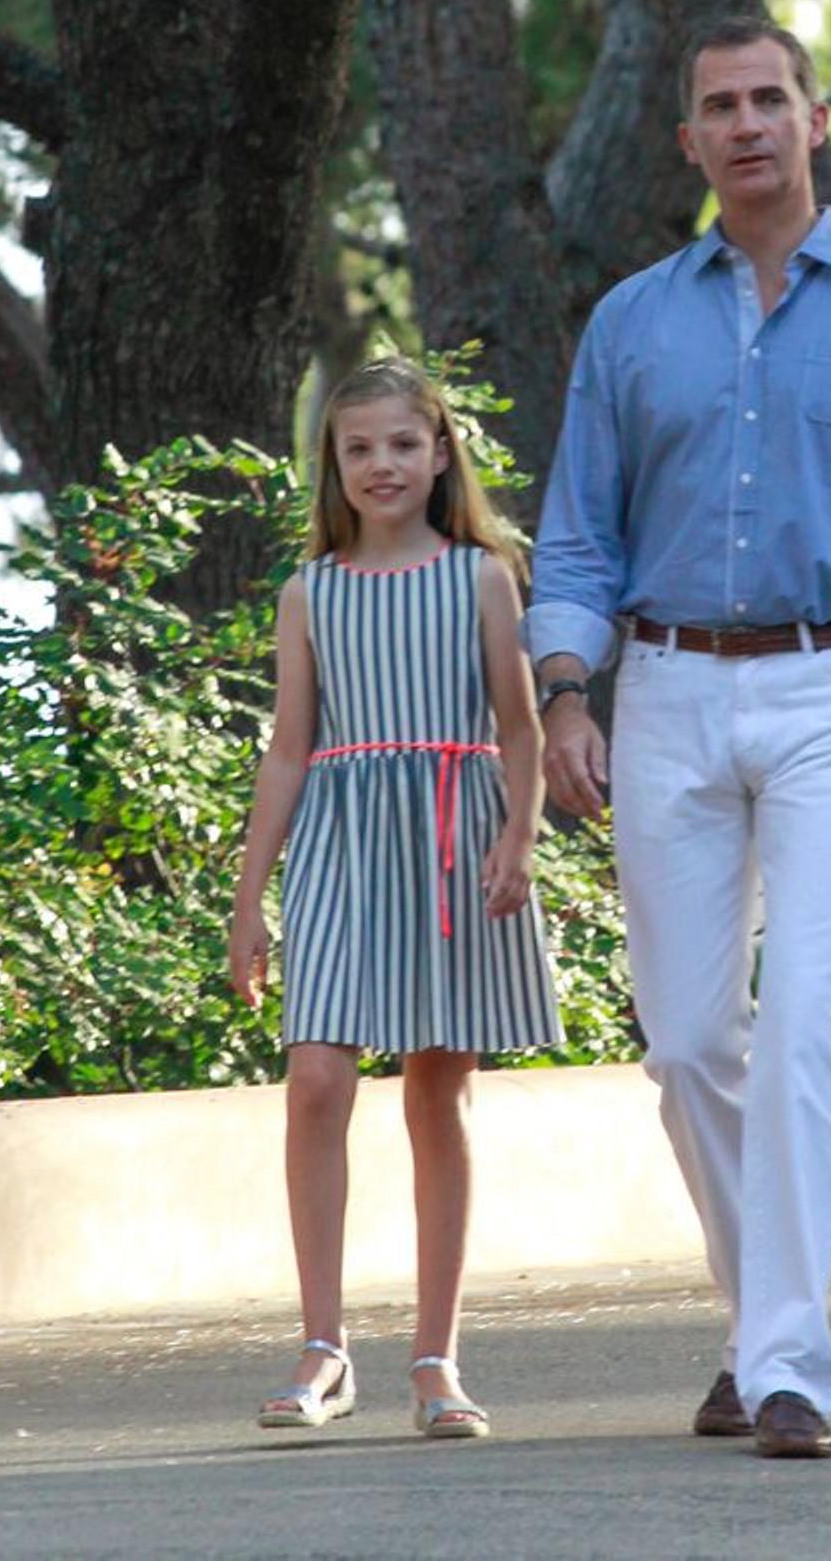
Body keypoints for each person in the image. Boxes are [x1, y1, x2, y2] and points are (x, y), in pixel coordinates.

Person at [525, 16, 831, 1460]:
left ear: (813, 120)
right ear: (688, 141)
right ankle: (759, 1321)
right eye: (718, 107)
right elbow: (579, 532)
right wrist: (565, 693)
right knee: (683, 1044)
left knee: (806, 1019)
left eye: (769, 100)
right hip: (665, 690)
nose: (745, 125)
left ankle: (789, 1367)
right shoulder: (631, 321)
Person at [230, 357, 560, 1437]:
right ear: (332, 463)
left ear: (439, 455)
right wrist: (249, 900)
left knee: (436, 1091)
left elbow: (520, 726)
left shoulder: (480, 577)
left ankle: (436, 1360)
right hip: (339, 839)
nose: (382, 465)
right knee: (317, 1078)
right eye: (359, 447)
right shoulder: (308, 592)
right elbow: (287, 751)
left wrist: (519, 832)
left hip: (454, 839)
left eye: (403, 444)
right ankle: (324, 1349)